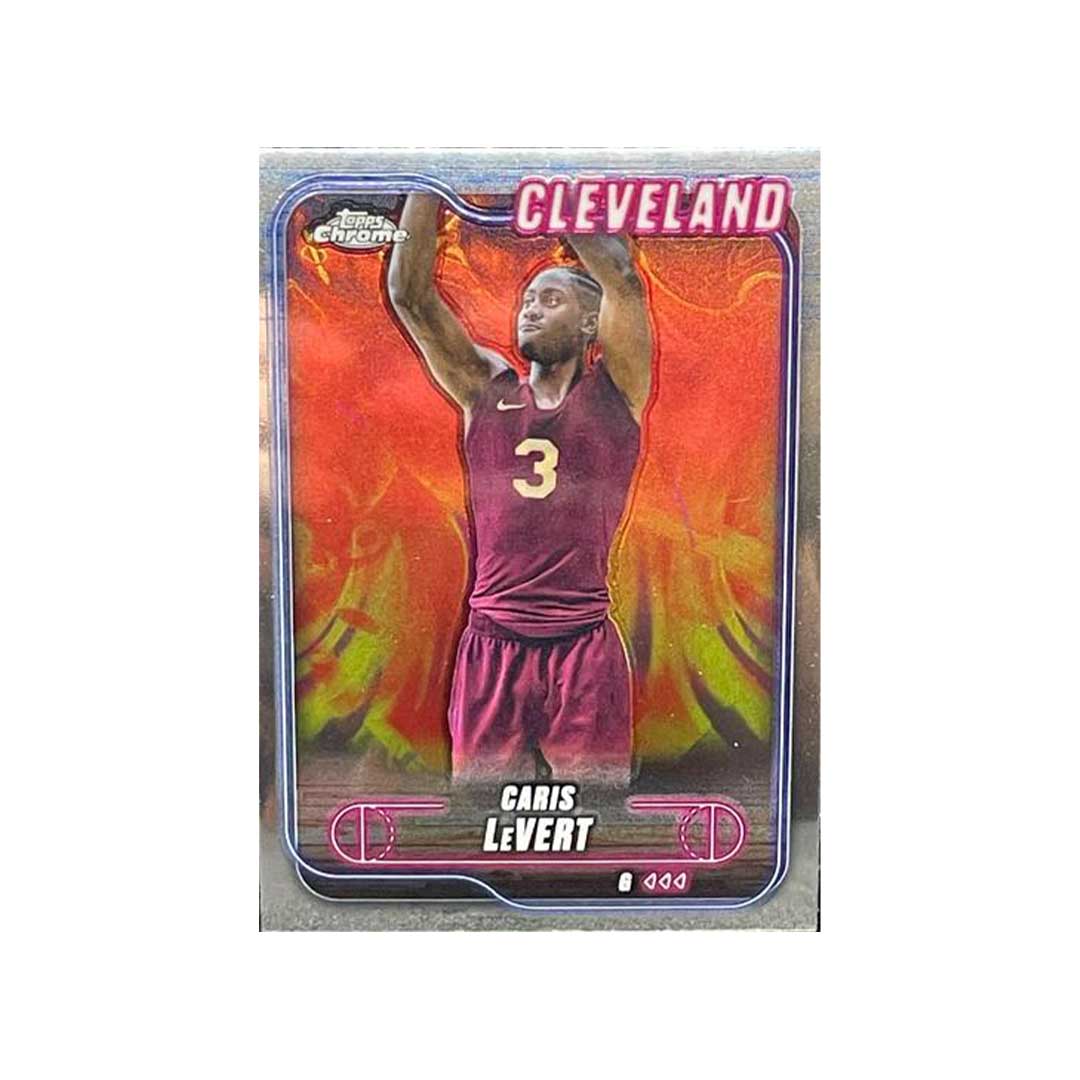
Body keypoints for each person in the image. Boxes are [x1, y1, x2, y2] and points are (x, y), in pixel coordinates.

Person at [387, 193, 653, 783]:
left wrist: (551, 194)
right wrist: (427, 185)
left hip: (582, 645)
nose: (530, 310)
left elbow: (624, 281)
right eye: (528, 300)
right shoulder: (486, 388)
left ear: (590, 324)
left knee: (596, 815)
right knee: (479, 815)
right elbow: (409, 296)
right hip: (492, 644)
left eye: (551, 300)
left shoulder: (615, 392)